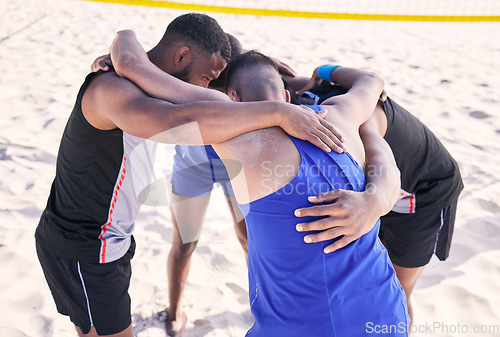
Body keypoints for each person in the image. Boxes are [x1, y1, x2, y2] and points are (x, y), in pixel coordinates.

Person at [34, 14, 345, 337]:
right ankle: (173, 309)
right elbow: (174, 119)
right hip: (83, 245)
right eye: (207, 77)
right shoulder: (113, 89)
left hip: (109, 241)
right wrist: (280, 111)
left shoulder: (138, 78)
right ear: (182, 56)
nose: (207, 87)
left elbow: (132, 49)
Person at [104, 33, 409, 334]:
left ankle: (173, 313)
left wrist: (122, 37)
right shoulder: (341, 114)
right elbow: (371, 79)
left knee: (188, 239)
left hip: (301, 324)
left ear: (232, 97)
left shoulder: (237, 132)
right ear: (288, 95)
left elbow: (131, 61)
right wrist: (322, 72)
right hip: (384, 309)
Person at [290, 67, 464, 324]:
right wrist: (323, 69)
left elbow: (384, 166)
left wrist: (373, 203)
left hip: (424, 190)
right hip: (376, 185)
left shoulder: (350, 110)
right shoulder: (300, 94)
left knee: (396, 291)